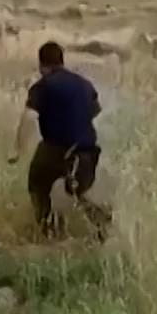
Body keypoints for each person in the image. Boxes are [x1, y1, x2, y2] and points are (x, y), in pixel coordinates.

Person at [8, 41, 111, 241]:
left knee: (37, 183)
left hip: (57, 149)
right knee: (79, 191)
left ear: (42, 65)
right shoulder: (85, 84)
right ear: (62, 62)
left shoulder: (42, 86)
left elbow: (29, 117)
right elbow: (96, 111)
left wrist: (18, 150)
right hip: (88, 150)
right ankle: (101, 222)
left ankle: (47, 231)